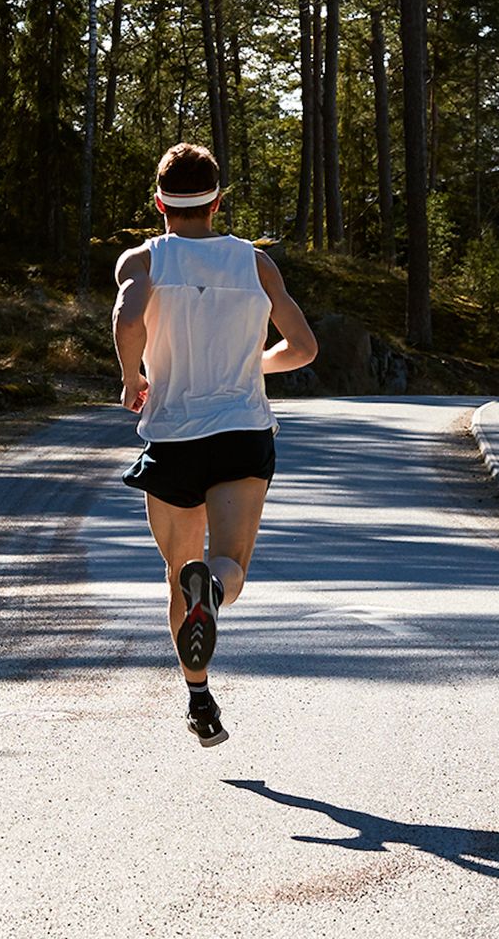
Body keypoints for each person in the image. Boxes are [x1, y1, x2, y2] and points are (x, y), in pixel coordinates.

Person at [112, 142, 317, 747]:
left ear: (159, 204)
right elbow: (303, 349)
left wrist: (131, 376)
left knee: (180, 571)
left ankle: (199, 699)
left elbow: (127, 315)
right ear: (218, 203)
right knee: (229, 564)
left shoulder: (143, 259)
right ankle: (217, 591)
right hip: (241, 432)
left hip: (172, 436)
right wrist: (251, 364)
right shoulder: (255, 264)